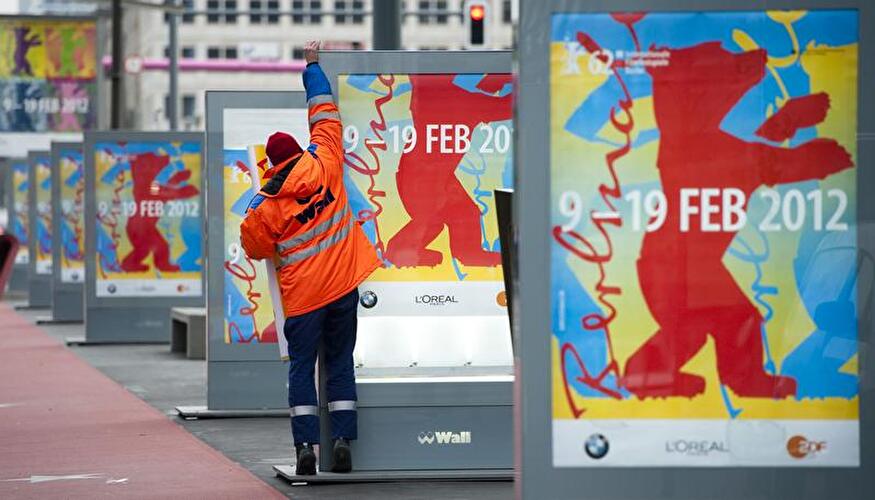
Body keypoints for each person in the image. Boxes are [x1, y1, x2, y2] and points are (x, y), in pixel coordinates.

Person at [239, 40, 381, 475]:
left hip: (303, 300)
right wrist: (312, 65)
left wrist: (260, 199)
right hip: (342, 289)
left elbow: (254, 246)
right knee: (340, 362)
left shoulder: (267, 205)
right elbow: (323, 112)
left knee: (302, 369)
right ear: (299, 151)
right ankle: (341, 441)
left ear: (270, 165)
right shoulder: (325, 163)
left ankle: (305, 450)